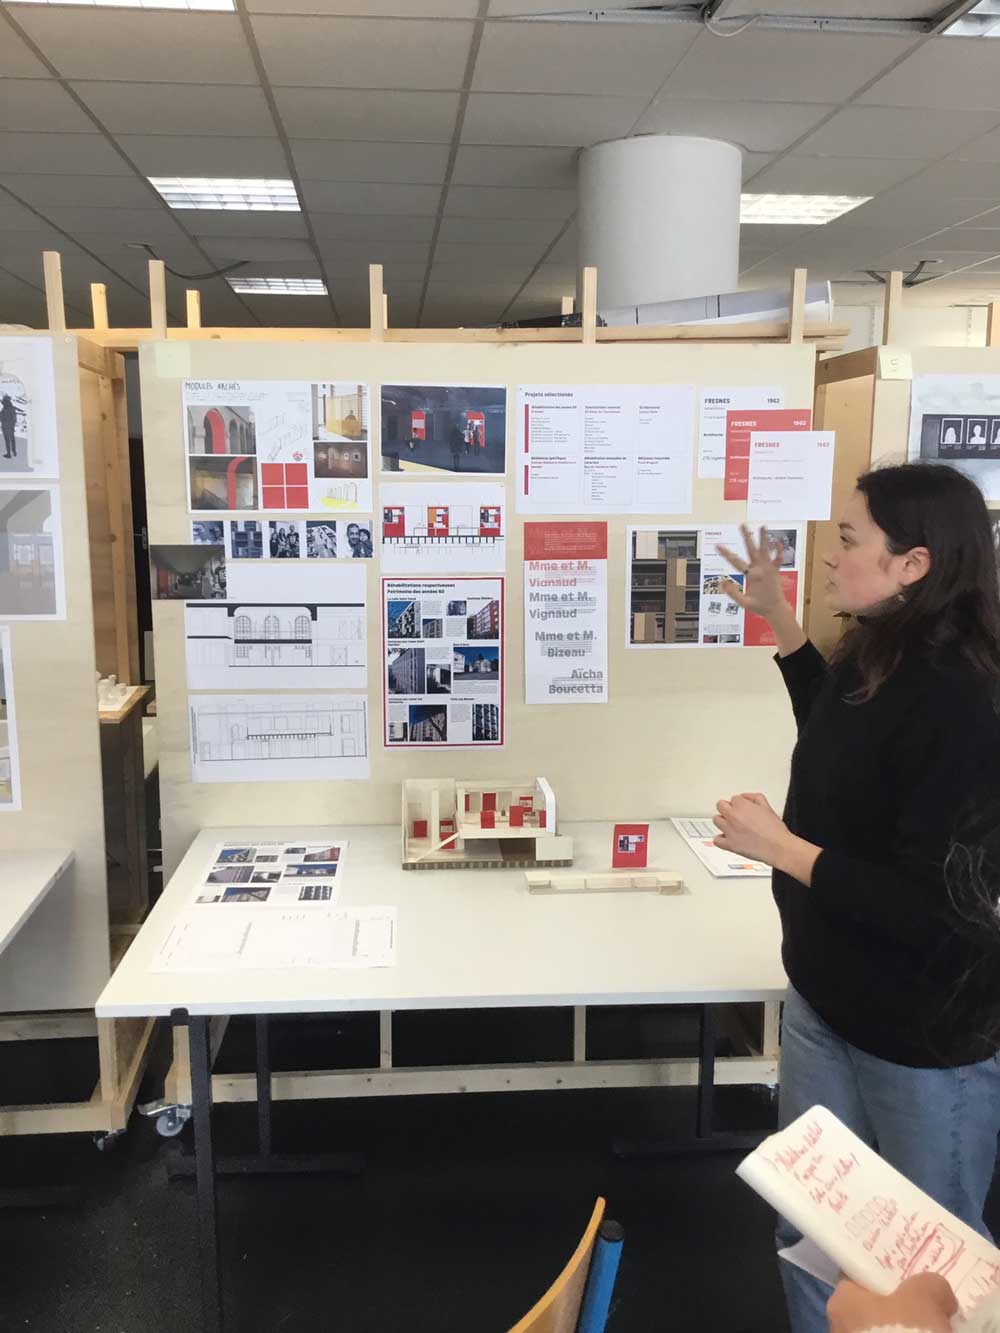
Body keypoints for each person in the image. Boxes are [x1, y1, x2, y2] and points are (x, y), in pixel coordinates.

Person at [713, 463, 1000, 1333]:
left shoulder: (967, 701)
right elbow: (840, 730)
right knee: (810, 1227)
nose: (832, 557)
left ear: (913, 563)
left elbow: (936, 909)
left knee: (931, 1269)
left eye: (848, 540)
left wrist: (782, 848)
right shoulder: (879, 644)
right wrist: (781, 620)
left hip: (920, 1040)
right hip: (825, 1002)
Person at [0, 393, 18, 460]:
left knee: (8, 440)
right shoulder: (10, 408)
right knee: (12, 439)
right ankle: (14, 452)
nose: (3, 402)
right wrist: (12, 426)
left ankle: (9, 454)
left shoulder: (6, 409)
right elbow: (14, 419)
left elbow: (13, 419)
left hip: (6, 427)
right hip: (9, 427)